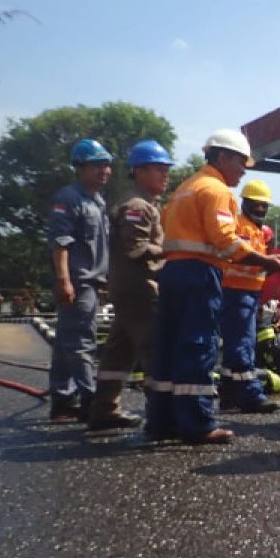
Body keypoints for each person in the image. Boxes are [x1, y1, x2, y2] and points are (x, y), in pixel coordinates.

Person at [147, 129, 280, 444]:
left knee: (169, 347)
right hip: (200, 274)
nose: (244, 170)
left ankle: (163, 420)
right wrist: (265, 261)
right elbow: (224, 241)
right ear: (222, 157)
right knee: (198, 345)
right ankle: (197, 424)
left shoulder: (184, 188)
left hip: (173, 272)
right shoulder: (216, 190)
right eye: (240, 162)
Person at [86, 140, 173, 430]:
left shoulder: (147, 203)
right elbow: (136, 248)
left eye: (166, 169)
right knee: (155, 349)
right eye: (159, 169)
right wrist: (176, 252)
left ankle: (104, 408)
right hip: (140, 289)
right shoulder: (136, 206)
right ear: (139, 171)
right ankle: (163, 416)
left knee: (119, 351)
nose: (165, 175)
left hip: (129, 289)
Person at [46, 139, 112, 420]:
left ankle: (63, 401)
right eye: (97, 165)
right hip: (77, 280)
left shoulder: (97, 200)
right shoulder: (68, 198)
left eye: (107, 165)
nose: (105, 171)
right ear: (80, 167)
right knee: (83, 340)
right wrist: (64, 280)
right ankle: (90, 401)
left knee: (65, 342)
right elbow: (60, 242)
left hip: (92, 280)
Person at [218, 179, 280, 414]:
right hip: (236, 291)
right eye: (257, 204)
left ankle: (229, 393)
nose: (261, 209)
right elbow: (239, 257)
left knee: (236, 345)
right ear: (246, 202)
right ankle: (251, 394)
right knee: (243, 344)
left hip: (250, 292)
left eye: (265, 206)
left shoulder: (258, 231)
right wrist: (265, 263)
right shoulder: (239, 226)